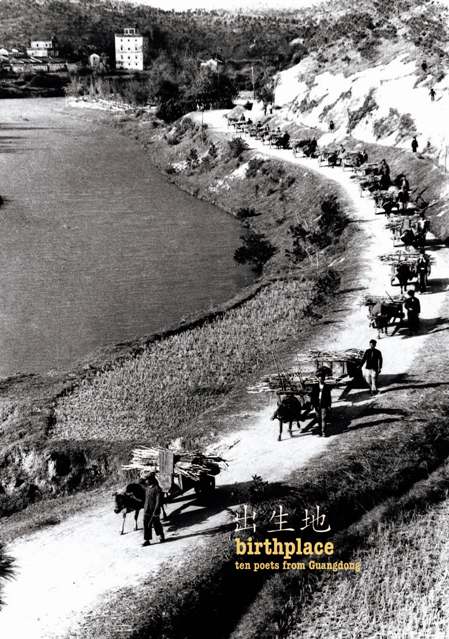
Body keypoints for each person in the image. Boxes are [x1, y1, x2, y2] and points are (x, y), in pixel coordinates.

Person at [142, 473, 165, 547]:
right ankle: (147, 540)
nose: (146, 481)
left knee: (156, 523)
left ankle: (161, 536)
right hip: (147, 510)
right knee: (146, 523)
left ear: (151, 480)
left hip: (154, 510)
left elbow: (158, 501)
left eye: (147, 480)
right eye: (146, 480)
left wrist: (156, 511)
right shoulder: (147, 488)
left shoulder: (157, 488)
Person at [311, 370, 332, 437]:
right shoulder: (315, 387)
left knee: (324, 418)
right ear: (317, 379)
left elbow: (329, 397)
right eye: (319, 377)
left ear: (324, 378)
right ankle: (320, 432)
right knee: (318, 419)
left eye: (322, 377)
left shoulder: (327, 387)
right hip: (317, 404)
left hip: (324, 404)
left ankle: (323, 432)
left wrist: (329, 405)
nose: (320, 379)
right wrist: (313, 404)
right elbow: (313, 396)